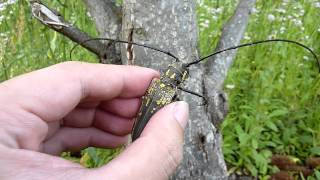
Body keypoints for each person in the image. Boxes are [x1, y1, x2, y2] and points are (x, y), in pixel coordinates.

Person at [0, 61, 189, 180]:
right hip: (141, 127)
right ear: (179, 79)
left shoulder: (156, 83)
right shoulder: (169, 90)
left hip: (136, 124)